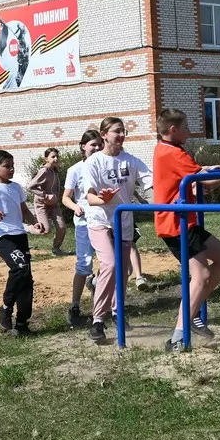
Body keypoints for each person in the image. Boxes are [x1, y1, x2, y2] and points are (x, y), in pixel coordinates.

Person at [153, 108, 220, 352]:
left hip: (185, 221)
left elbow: (189, 172)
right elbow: (207, 182)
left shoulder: (166, 149)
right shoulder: (172, 152)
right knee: (201, 276)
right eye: (186, 127)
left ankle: (192, 311)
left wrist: (205, 168)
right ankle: (178, 336)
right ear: (173, 130)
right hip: (176, 224)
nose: (189, 132)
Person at [83, 116, 155, 345]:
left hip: (123, 222)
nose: (122, 135)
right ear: (104, 134)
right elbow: (90, 197)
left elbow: (151, 184)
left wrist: (165, 202)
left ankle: (117, 312)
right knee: (110, 264)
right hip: (100, 221)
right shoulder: (93, 162)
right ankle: (97, 320)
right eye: (117, 131)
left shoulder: (130, 161)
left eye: (124, 131)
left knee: (122, 271)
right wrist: (102, 200)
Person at [0, 150, 47, 335]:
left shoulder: (16, 187)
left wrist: (35, 222)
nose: (11, 169)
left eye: (12, 166)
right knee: (20, 267)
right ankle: (6, 308)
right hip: (2, 236)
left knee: (26, 277)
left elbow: (24, 210)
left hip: (19, 235)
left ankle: (22, 323)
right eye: (7, 166)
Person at [60, 129, 102, 328]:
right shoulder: (75, 169)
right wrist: (75, 207)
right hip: (84, 222)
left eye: (99, 144)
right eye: (93, 144)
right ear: (83, 147)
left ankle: (103, 302)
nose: (97, 148)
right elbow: (65, 197)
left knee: (109, 263)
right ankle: (75, 305)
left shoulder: (105, 165)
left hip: (104, 220)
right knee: (84, 264)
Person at [27, 148, 69, 255]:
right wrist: (45, 195)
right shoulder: (44, 171)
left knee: (62, 227)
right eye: (53, 157)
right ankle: (26, 228)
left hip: (53, 205)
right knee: (45, 230)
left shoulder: (54, 171)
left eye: (57, 156)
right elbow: (30, 186)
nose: (56, 159)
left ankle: (56, 249)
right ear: (46, 158)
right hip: (41, 204)